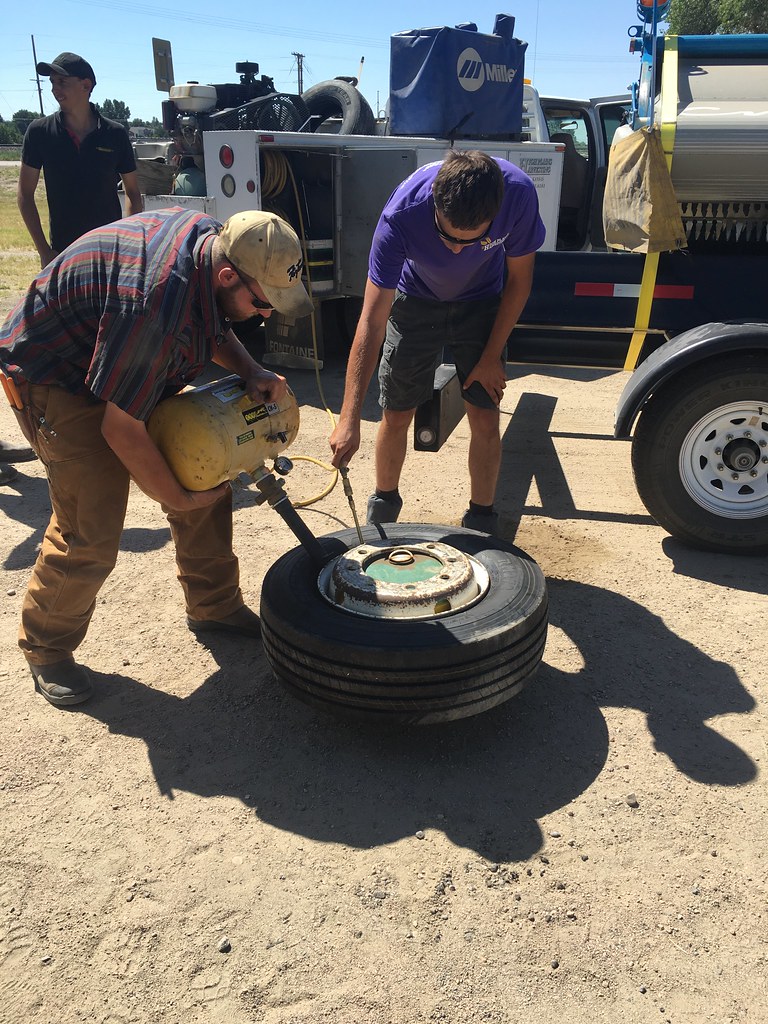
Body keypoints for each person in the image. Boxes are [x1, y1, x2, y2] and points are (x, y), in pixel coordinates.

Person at [0, 207, 313, 709]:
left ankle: (212, 606)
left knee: (208, 461)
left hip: (119, 351)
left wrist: (251, 369)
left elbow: (211, 322)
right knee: (91, 522)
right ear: (228, 274)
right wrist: (175, 497)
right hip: (56, 374)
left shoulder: (218, 245)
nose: (267, 313)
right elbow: (120, 429)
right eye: (261, 301)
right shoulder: (152, 303)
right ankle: (47, 646)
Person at [329, 149, 546, 535]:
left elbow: (520, 282)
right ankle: (384, 504)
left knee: (484, 412)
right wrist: (348, 418)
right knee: (396, 412)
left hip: (482, 302)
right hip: (416, 300)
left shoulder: (519, 195)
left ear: (494, 216)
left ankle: (482, 518)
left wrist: (491, 356)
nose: (456, 250)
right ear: (434, 204)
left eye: (471, 241)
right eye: (447, 236)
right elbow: (372, 319)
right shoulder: (401, 216)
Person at [18, 51, 143, 269]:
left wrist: (127, 242)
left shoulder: (115, 134)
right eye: (52, 82)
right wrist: (45, 252)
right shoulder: (39, 132)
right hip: (63, 255)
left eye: (62, 82)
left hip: (109, 254)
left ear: (86, 86)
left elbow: (132, 191)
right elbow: (25, 195)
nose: (54, 89)